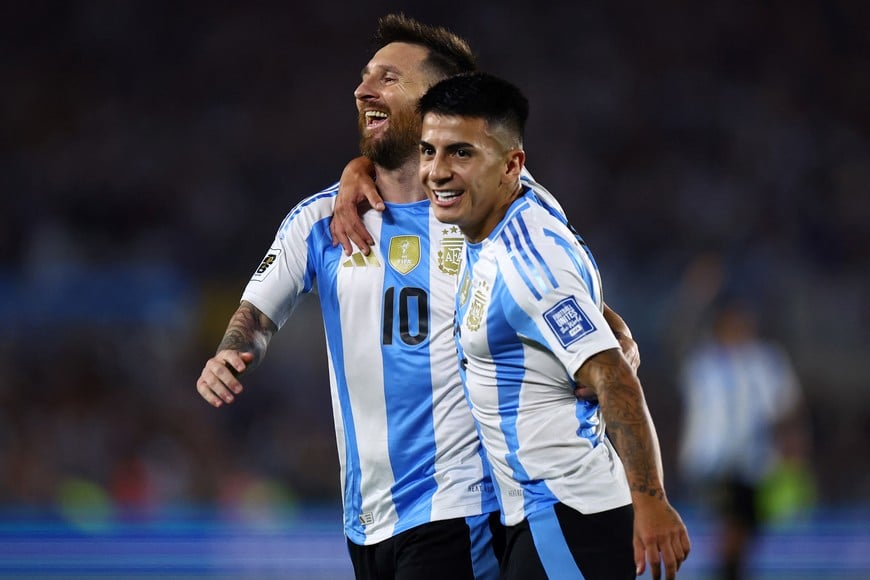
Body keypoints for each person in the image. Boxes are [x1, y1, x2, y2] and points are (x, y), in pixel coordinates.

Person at [197, 14, 638, 580]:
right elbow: (257, 313)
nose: (362, 89)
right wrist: (233, 350)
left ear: (435, 103)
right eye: (364, 77)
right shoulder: (319, 220)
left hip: (460, 506)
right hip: (367, 517)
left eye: (387, 78)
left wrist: (613, 329)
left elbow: (556, 281)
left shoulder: (494, 208)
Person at [416, 71, 691, 579]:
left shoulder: (524, 265)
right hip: (548, 514)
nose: (436, 171)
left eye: (460, 153)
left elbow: (612, 375)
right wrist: (610, 320)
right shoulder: (520, 203)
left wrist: (651, 503)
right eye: (428, 151)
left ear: (511, 165)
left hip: (567, 514)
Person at [678, 297, 806, 580]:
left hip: (756, 461)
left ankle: (730, 571)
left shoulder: (766, 360)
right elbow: (678, 335)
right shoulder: (704, 362)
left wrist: (792, 448)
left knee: (747, 529)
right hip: (713, 460)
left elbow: (785, 407)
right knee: (731, 524)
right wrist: (696, 293)